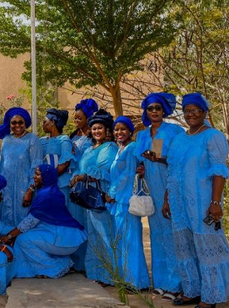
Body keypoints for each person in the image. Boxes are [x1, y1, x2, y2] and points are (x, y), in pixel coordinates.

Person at [165, 93, 229, 308]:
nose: (191, 114)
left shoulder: (213, 136)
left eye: (195, 110)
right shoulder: (179, 139)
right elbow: (172, 172)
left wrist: (215, 202)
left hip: (202, 203)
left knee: (207, 247)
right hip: (179, 204)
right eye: (187, 111)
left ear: (204, 112)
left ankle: (210, 296)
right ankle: (191, 291)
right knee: (185, 247)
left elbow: (219, 171)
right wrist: (167, 199)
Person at [0, 164, 86, 278]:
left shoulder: (47, 195)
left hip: (65, 239)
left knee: (22, 239)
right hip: (65, 237)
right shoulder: (51, 191)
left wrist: (9, 236)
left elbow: (30, 222)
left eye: (38, 174)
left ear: (46, 176)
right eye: (35, 174)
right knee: (26, 236)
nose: (34, 177)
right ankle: (47, 267)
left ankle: (55, 267)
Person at [135, 92, 184, 299]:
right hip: (151, 189)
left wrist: (160, 159)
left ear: (163, 110)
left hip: (170, 185)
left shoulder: (173, 131)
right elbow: (142, 159)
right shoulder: (143, 135)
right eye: (150, 108)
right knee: (157, 235)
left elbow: (178, 160)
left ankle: (177, 284)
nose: (154, 112)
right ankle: (162, 282)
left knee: (174, 236)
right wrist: (142, 167)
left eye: (157, 108)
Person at [70, 109, 119, 286]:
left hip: (101, 195)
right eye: (94, 128)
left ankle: (109, 275)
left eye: (100, 128)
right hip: (89, 198)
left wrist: (82, 176)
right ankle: (96, 272)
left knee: (105, 235)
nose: (97, 131)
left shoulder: (110, 147)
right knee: (94, 234)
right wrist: (76, 175)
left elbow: (103, 170)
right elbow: (81, 167)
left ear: (107, 130)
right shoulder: (90, 149)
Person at [106, 116, 150, 290]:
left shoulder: (131, 148)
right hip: (119, 202)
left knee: (131, 241)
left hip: (125, 201)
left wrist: (111, 193)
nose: (119, 132)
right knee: (123, 241)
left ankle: (135, 282)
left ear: (130, 131)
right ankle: (127, 279)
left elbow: (128, 174)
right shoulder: (119, 149)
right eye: (116, 129)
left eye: (123, 129)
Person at [0, 107, 42, 228]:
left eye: (20, 122)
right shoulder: (6, 140)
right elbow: (2, 165)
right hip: (6, 189)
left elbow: (36, 166)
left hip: (24, 189)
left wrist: (30, 190)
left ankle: (21, 246)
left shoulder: (32, 139)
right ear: (9, 124)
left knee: (23, 221)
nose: (17, 125)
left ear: (25, 122)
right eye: (13, 122)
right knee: (5, 220)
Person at [67, 98, 98, 271]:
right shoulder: (73, 136)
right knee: (75, 220)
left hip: (86, 181)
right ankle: (77, 260)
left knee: (88, 221)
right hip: (73, 182)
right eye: (75, 118)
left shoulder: (92, 137)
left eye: (80, 118)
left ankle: (89, 262)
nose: (77, 121)